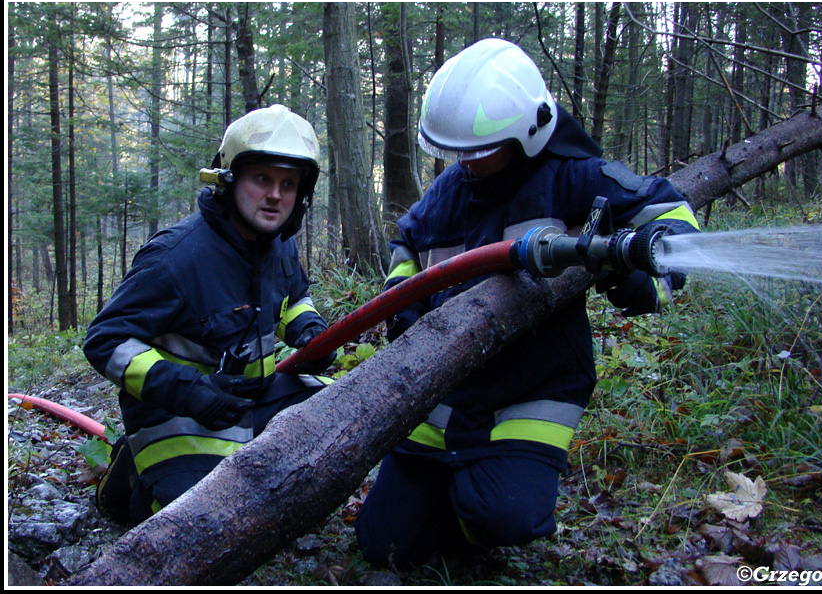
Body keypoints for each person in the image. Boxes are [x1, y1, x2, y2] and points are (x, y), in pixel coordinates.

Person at [354, 38, 700, 568]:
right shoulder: (450, 189)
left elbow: (671, 212)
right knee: (384, 544)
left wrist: (646, 277)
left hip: (532, 391)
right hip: (444, 392)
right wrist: (401, 298)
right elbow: (407, 243)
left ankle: (474, 505)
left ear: (528, 132)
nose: (467, 163)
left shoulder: (573, 175)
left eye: (480, 150)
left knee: (502, 515)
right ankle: (438, 500)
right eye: (459, 152)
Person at [83, 104, 335, 525]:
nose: (275, 195)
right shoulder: (176, 258)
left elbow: (294, 300)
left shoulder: (279, 244)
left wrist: (308, 329)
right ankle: (133, 476)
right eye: (262, 179)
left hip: (250, 399)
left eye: (288, 184)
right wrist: (189, 390)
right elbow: (105, 340)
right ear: (227, 178)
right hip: (179, 415)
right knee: (204, 523)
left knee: (340, 405)